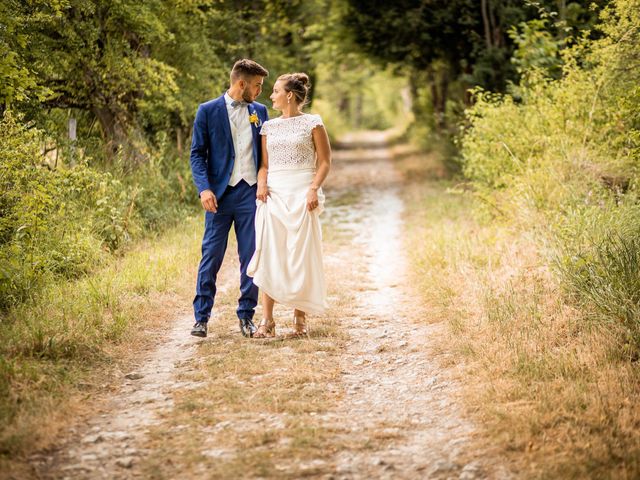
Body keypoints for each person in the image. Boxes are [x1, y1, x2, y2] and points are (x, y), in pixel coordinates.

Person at [247, 72, 332, 338]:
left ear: (289, 95)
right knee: (271, 253)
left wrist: (313, 189)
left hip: (302, 193)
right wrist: (262, 184)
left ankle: (299, 318)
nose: (270, 95)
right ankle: (267, 320)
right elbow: (264, 166)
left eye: (275, 91)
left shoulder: (313, 123)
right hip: (274, 193)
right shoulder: (268, 127)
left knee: (300, 255)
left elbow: (325, 161)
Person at [189, 59, 269, 338]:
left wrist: (264, 183)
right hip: (219, 196)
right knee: (211, 256)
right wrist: (204, 188)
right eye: (257, 86)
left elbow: (265, 155)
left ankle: (247, 315)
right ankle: (201, 318)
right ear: (242, 84)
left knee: (252, 256)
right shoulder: (207, 111)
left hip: (250, 194)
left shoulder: (260, 112)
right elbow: (197, 154)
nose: (260, 91)